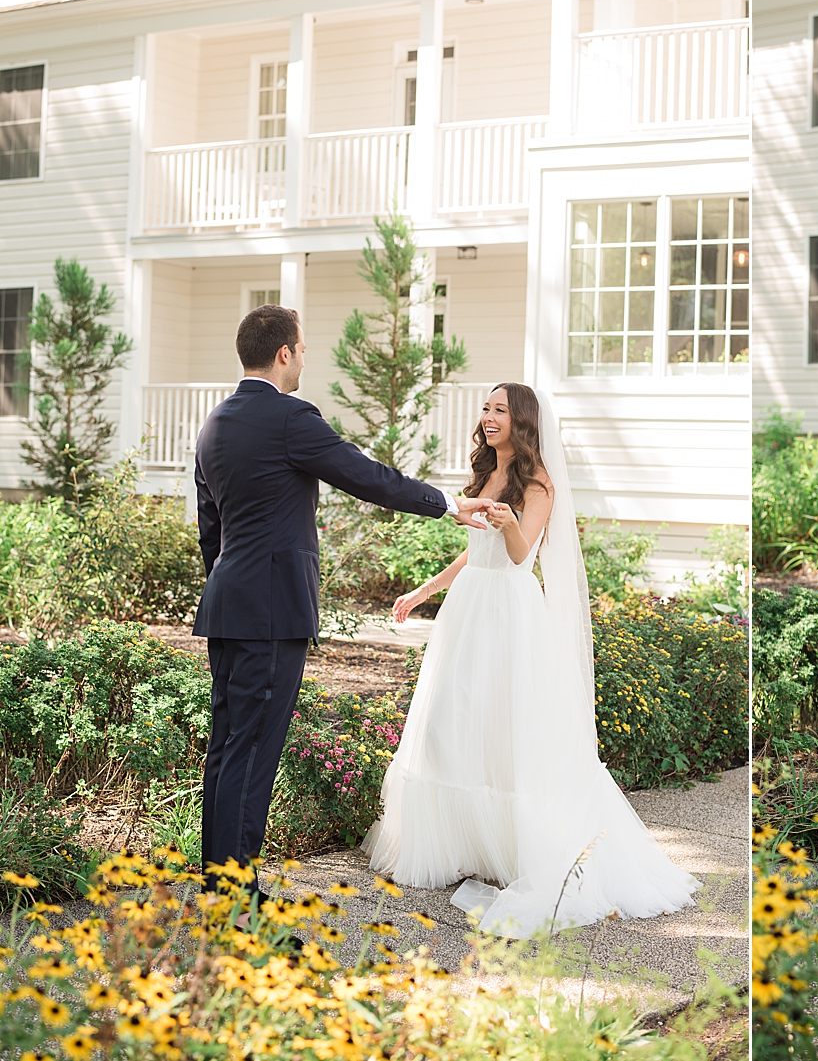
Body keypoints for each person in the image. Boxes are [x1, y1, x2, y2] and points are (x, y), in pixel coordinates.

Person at [361, 382, 701, 936]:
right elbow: (475, 554)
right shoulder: (484, 473)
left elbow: (520, 557)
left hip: (510, 612)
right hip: (469, 608)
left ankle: (515, 849)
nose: (490, 417)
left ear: (522, 422)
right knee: (452, 722)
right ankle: (465, 843)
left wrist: (511, 523)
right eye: (487, 408)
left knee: (507, 729)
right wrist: (424, 591)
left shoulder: (539, 481)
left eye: (501, 410)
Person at [193, 304, 497, 903]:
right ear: (284, 353)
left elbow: (212, 528)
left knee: (228, 750)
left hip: (229, 605)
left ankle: (220, 891)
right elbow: (363, 474)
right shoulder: (288, 417)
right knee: (253, 754)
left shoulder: (215, 423)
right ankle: (235, 906)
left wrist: (229, 588)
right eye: (302, 350)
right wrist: (446, 504)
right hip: (272, 611)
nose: (305, 359)